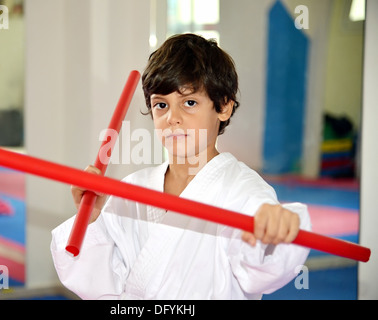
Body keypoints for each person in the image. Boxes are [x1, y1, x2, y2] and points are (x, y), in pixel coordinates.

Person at [50, 33, 311, 300]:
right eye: (161, 105)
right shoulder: (132, 189)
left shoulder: (243, 191)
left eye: (189, 103)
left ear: (223, 107)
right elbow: (103, 283)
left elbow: (261, 271)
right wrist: (92, 218)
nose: (172, 118)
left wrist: (276, 227)